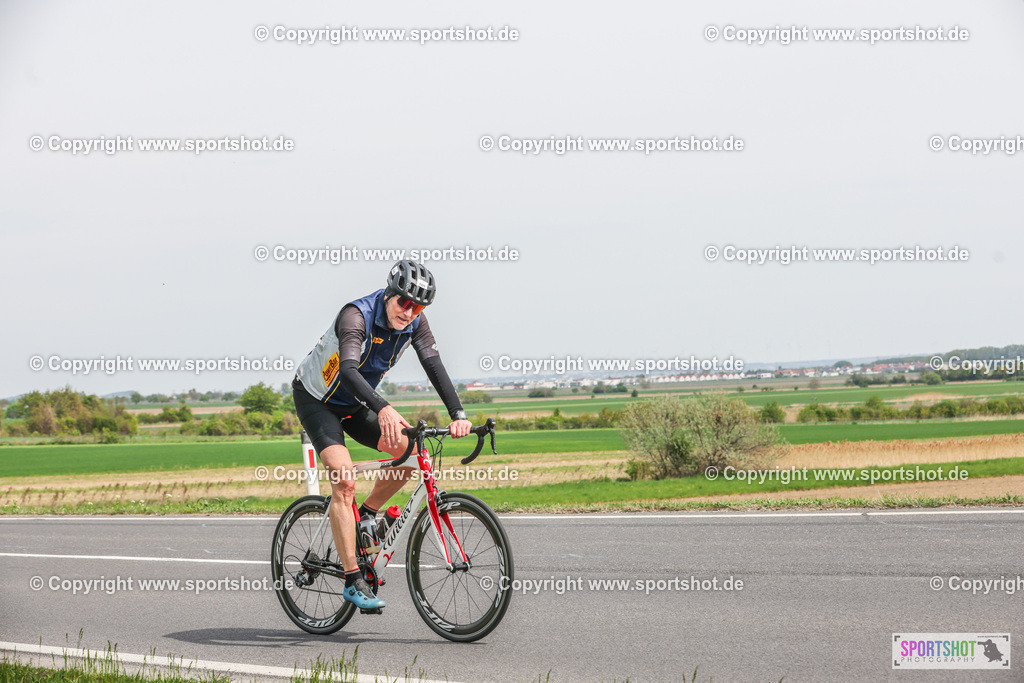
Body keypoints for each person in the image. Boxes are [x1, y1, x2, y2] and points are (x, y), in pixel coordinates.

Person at [291, 260, 470, 610]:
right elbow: (348, 370)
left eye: (418, 307)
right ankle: (353, 579)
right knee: (344, 482)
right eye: (404, 303)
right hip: (318, 401)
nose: (410, 312)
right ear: (390, 294)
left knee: (410, 451)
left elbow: (434, 365)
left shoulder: (415, 322)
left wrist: (458, 414)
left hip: (356, 403)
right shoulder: (356, 316)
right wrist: (384, 407)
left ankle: (368, 514)